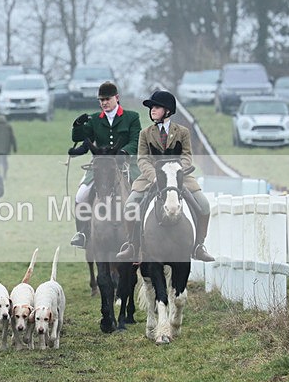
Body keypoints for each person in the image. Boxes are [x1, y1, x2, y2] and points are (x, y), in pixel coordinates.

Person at [116, 90, 215, 262]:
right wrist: (155, 176)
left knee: (204, 205)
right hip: (150, 178)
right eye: (151, 107)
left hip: (179, 177)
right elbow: (142, 159)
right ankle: (132, 245)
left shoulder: (182, 132)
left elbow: (187, 156)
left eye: (157, 107)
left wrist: (177, 171)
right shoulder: (145, 133)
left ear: (167, 111)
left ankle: (199, 246)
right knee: (130, 205)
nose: (152, 110)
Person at [69, 81, 141, 249]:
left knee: (143, 193)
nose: (104, 103)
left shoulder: (132, 117)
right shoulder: (94, 119)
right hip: (100, 166)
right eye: (101, 100)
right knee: (81, 194)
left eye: (107, 99)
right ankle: (83, 233)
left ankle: (143, 231)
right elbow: (80, 139)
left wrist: (124, 152)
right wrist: (77, 126)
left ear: (117, 97)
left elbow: (135, 140)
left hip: (126, 165)